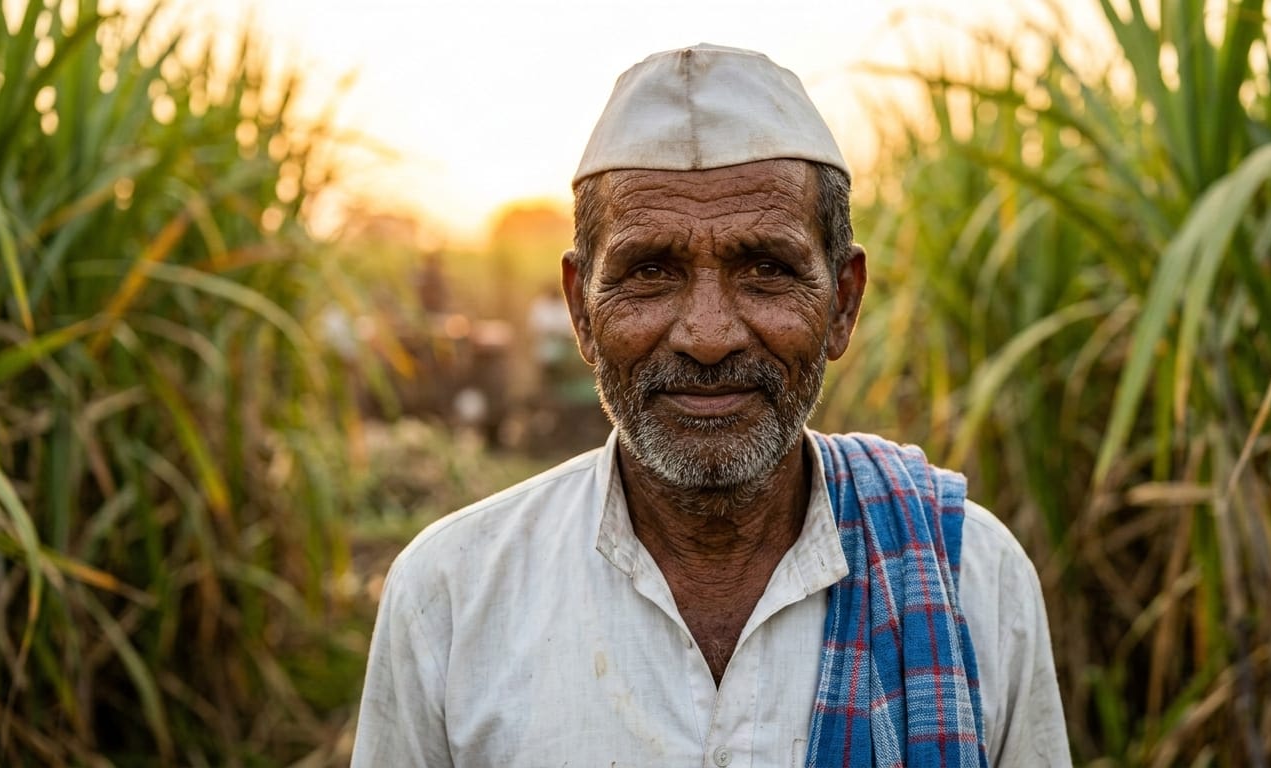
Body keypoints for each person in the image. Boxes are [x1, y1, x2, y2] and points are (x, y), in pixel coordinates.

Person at [352, 44, 1071, 767]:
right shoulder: (450, 597)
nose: (707, 335)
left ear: (843, 304)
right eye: (651, 272)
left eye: (765, 269)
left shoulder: (970, 580)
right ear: (580, 310)